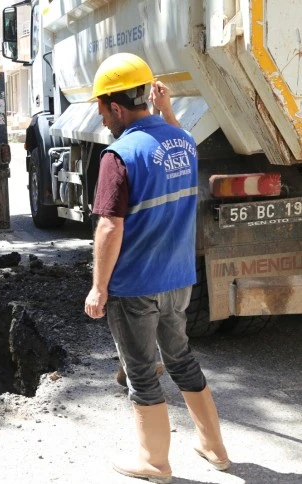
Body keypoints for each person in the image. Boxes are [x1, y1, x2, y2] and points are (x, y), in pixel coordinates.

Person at [83, 53, 229, 483]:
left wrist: (98, 287)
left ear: (115, 106)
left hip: (136, 284)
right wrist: (167, 111)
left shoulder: (119, 155)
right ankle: (214, 447)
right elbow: (176, 144)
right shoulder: (181, 141)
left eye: (101, 108)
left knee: (142, 371)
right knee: (180, 357)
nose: (101, 116)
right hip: (178, 278)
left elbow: (109, 226)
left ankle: (155, 463)